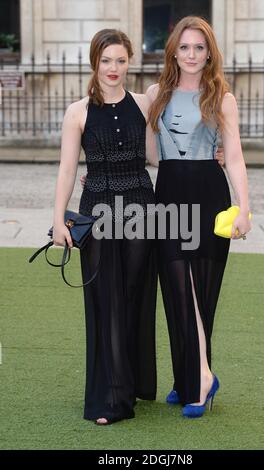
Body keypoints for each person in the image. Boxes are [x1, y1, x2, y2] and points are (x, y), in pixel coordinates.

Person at [52, 29, 159, 425]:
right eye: (106, 60)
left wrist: (210, 154)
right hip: (96, 211)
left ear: (130, 61)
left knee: (131, 299)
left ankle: (128, 383)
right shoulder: (77, 111)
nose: (113, 68)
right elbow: (66, 168)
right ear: (94, 62)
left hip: (140, 211)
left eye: (120, 60)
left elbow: (156, 156)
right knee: (105, 303)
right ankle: (109, 399)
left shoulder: (145, 103)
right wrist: (57, 217)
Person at [146, 16, 251, 418]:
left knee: (201, 293)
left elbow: (236, 155)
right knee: (177, 287)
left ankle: (192, 378)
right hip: (168, 195)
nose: (191, 55)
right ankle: (200, 376)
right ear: (173, 50)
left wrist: (243, 207)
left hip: (209, 195)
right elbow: (152, 153)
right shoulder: (157, 92)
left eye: (199, 48)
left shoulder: (221, 95)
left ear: (209, 53)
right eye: (184, 47)